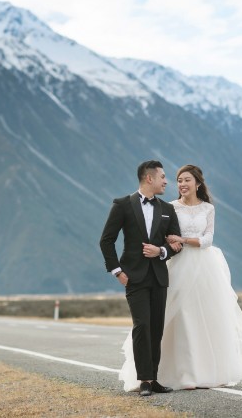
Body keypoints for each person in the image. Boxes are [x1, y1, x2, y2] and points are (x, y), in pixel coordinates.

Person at [119, 164, 242, 391]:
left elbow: (208, 239)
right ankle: (177, 373)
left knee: (207, 317)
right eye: (179, 180)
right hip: (179, 265)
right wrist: (169, 244)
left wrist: (184, 239)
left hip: (206, 267)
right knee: (178, 317)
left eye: (186, 180)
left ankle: (206, 371)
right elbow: (164, 235)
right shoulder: (170, 207)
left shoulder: (208, 208)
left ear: (198, 183)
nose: (182, 184)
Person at [100, 160, 182, 397]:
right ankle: (144, 379)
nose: (167, 181)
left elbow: (176, 243)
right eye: (163, 177)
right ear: (149, 178)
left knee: (156, 328)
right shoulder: (122, 205)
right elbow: (106, 240)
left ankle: (153, 379)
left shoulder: (168, 209)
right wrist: (117, 271)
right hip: (133, 277)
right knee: (142, 326)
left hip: (158, 277)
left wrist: (162, 251)